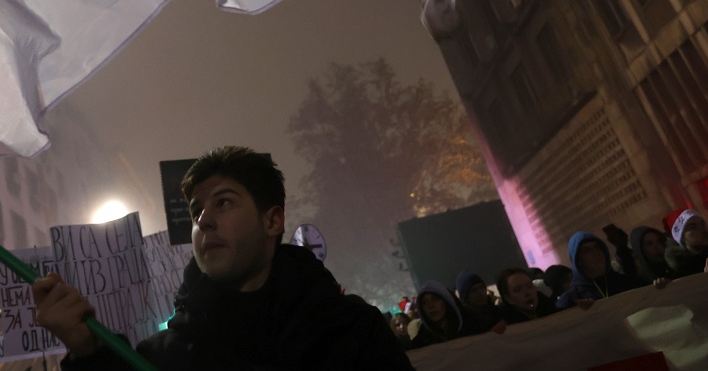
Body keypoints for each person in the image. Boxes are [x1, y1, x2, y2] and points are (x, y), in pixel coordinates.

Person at [32, 146, 414, 369]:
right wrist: (87, 351)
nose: (205, 221)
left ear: (273, 219)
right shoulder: (169, 355)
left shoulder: (349, 332)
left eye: (224, 202)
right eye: (197, 212)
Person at [555, 231, 645, 310]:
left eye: (597, 247)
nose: (596, 253)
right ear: (578, 260)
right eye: (587, 251)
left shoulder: (631, 283)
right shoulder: (569, 301)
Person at [410, 281, 485, 348]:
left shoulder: (473, 326)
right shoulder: (421, 341)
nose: (430, 306)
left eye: (435, 299)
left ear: (446, 301)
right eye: (424, 302)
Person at [666, 209, 708, 277]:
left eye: (703, 223)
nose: (702, 229)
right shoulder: (681, 271)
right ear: (682, 237)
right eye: (693, 227)